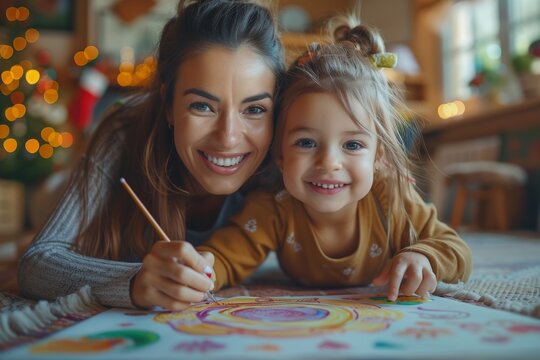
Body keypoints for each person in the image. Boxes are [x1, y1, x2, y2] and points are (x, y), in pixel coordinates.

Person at [17, 0, 284, 310]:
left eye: (254, 109)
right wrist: (134, 280)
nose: (228, 137)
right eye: (202, 106)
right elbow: (35, 265)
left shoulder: (289, 148)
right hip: (70, 192)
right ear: (168, 105)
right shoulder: (124, 130)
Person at [196, 19, 472, 301]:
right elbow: (225, 257)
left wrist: (423, 257)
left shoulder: (391, 196)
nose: (329, 163)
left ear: (378, 156)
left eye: (352, 144)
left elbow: (455, 249)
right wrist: (198, 271)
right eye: (306, 143)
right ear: (280, 153)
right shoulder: (274, 206)